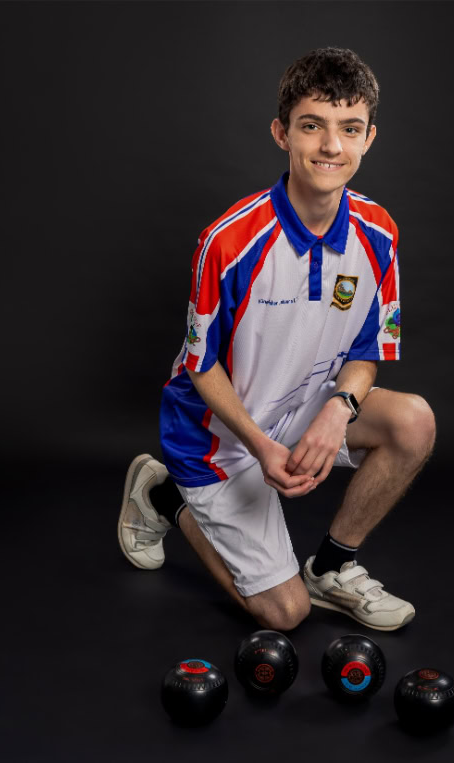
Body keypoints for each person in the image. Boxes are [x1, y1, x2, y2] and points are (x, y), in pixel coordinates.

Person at [119, 47, 434, 632]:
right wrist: (261, 447)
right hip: (219, 439)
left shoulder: (380, 232)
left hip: (300, 409)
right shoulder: (229, 241)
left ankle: (333, 567)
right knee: (284, 617)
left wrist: (338, 412)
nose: (331, 147)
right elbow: (200, 367)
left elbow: (368, 352)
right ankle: (168, 497)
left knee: (413, 421)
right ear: (281, 132)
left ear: (370, 139)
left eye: (350, 129)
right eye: (312, 126)